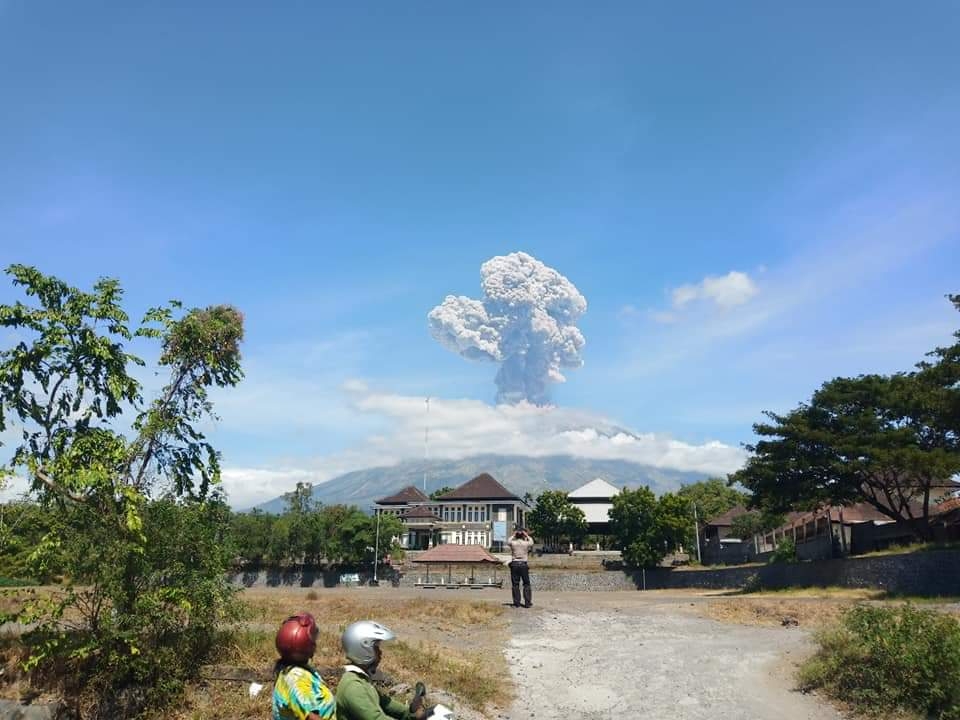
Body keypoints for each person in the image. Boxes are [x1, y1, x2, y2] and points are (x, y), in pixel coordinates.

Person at [336, 620, 428, 720]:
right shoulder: (353, 686)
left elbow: (391, 706)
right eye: (376, 648)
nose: (380, 653)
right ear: (363, 649)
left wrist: (412, 711)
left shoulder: (363, 681)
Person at [273, 612, 337, 720]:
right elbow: (312, 718)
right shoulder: (296, 678)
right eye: (312, 640)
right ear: (304, 644)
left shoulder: (296, 671)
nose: (315, 643)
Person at [507, 526, 534, 608]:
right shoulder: (526, 543)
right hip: (523, 564)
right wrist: (527, 535)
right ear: (523, 536)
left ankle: (517, 603)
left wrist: (514, 535)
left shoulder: (513, 543)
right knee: (526, 584)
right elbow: (532, 542)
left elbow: (508, 541)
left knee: (515, 584)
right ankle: (527, 603)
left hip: (514, 564)